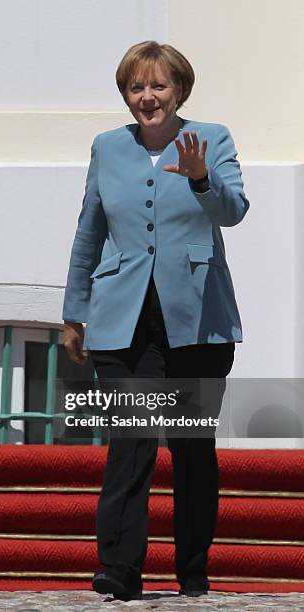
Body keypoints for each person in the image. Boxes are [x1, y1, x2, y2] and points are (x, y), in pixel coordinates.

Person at [62, 41, 248, 601]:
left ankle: (192, 568)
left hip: (197, 320)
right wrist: (75, 313)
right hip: (124, 319)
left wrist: (199, 178)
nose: (148, 97)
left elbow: (233, 211)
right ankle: (119, 568)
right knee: (131, 440)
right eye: (137, 88)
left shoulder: (211, 138)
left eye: (159, 86)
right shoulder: (107, 147)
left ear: (180, 90)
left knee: (191, 448)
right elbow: (89, 232)